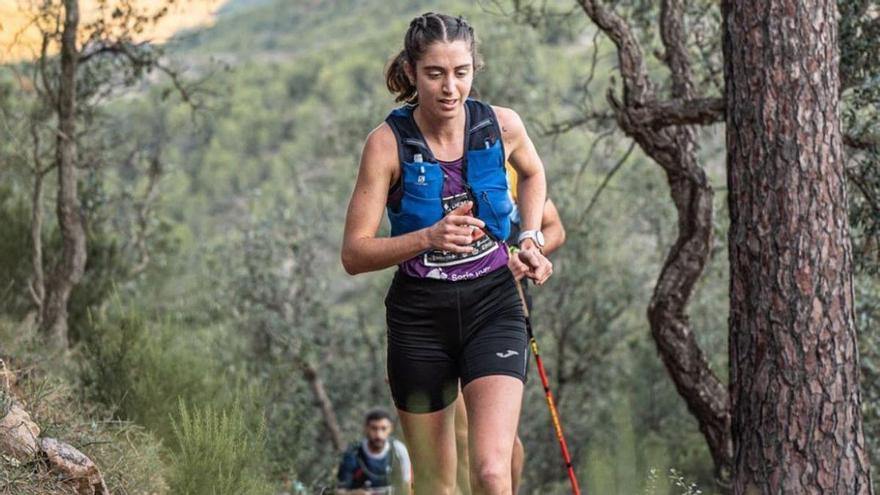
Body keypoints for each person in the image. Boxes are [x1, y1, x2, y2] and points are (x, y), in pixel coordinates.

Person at [341, 12, 553, 495]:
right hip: (420, 319)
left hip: (493, 305)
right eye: (435, 73)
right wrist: (427, 238)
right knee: (436, 485)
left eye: (461, 72)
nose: (450, 87)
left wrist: (531, 238)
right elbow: (354, 254)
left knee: (493, 474)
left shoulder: (502, 125)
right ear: (412, 72)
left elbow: (534, 175)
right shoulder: (385, 145)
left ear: (474, 68)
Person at [453, 170, 567, 494]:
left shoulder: (511, 168)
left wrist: (528, 253)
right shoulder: (441, 163)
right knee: (463, 437)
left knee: (500, 446)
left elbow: (555, 227)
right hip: (446, 316)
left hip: (504, 315)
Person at [336, 408, 413, 494]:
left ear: (390, 429)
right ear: (366, 428)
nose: (378, 435)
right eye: (374, 428)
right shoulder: (353, 453)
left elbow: (407, 486)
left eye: (383, 428)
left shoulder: (399, 450)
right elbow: (340, 491)